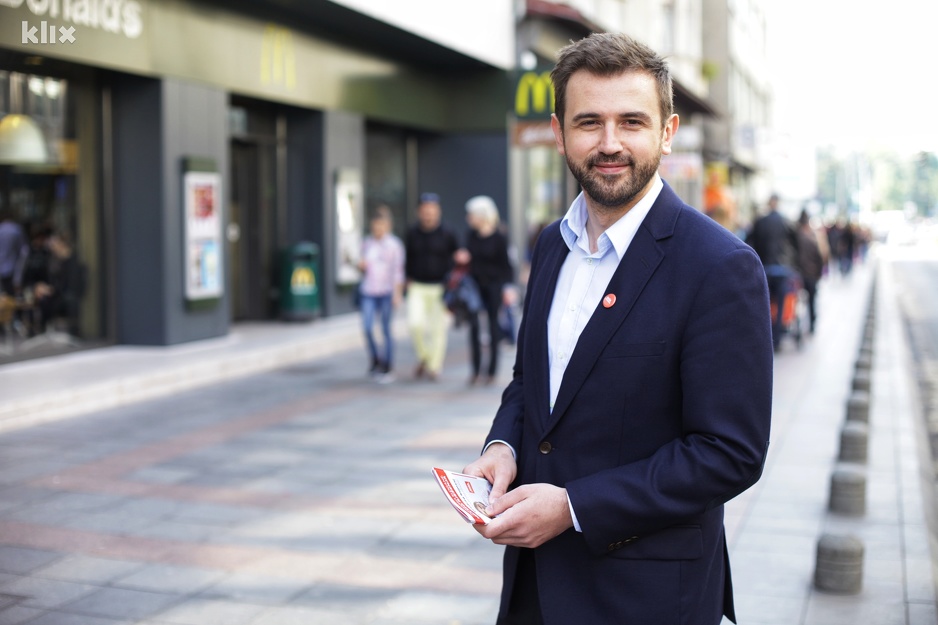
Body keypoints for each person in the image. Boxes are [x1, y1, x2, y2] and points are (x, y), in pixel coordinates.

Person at [462, 32, 773, 625]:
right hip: (534, 587)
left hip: (647, 596)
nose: (610, 144)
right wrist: (502, 448)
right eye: (588, 123)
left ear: (667, 131)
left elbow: (730, 452)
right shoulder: (551, 244)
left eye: (631, 121)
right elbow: (533, 382)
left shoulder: (720, 266)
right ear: (558, 134)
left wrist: (574, 506)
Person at [404, 192, 459, 381]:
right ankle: (425, 357)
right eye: (425, 210)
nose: (428, 214)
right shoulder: (412, 232)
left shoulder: (448, 232)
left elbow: (457, 257)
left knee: (437, 329)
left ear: (438, 211)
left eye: (432, 210)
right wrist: (406, 279)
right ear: (419, 211)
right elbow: (407, 257)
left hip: (440, 287)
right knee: (415, 325)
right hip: (417, 286)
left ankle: (434, 367)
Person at [462, 196, 515, 386]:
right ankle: (475, 371)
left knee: (493, 327)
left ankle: (491, 372)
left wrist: (508, 287)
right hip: (474, 287)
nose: (468, 218)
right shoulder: (470, 236)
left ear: (481, 215)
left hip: (494, 286)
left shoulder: (499, 237)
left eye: (471, 215)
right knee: (474, 328)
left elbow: (507, 265)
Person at [746, 193, 800, 351]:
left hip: (764, 269)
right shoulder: (785, 222)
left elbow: (749, 242)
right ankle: (777, 339)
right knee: (782, 304)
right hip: (781, 269)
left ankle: (764, 337)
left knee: (764, 304)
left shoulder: (760, 221)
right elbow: (796, 244)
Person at [358, 206, 405, 382]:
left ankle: (388, 364)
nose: (377, 229)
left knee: (386, 328)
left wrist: (397, 293)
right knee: (367, 327)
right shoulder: (366, 243)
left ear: (387, 225)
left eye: (381, 225)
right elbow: (363, 267)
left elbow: (398, 271)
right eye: (375, 225)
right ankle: (375, 359)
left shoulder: (394, 245)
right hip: (368, 290)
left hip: (386, 291)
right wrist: (360, 266)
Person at [795, 208, 828, 335]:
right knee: (812, 300)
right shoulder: (813, 237)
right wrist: (819, 273)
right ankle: (812, 324)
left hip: (800, 274)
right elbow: (820, 256)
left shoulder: (796, 237)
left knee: (798, 300)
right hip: (812, 274)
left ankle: (799, 325)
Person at [0, 210, 27, 296]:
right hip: (13, 268)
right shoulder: (16, 229)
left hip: (2, 267)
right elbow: (24, 250)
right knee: (13, 295)